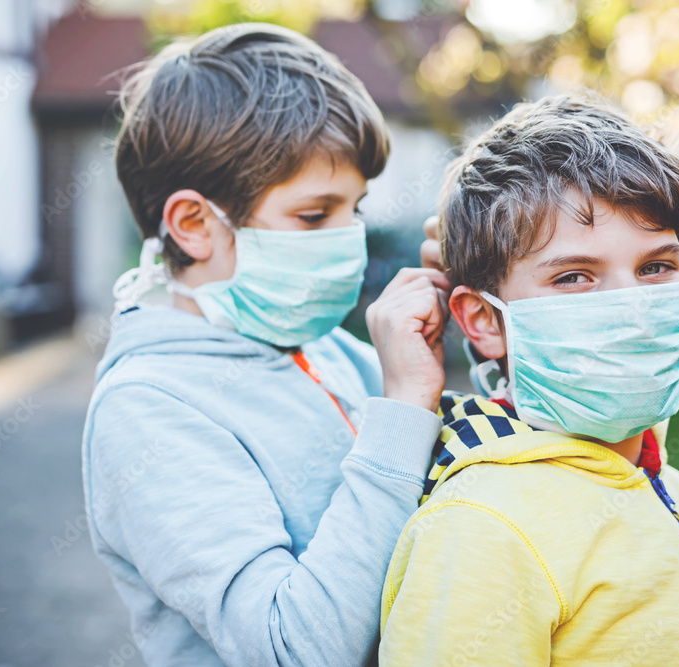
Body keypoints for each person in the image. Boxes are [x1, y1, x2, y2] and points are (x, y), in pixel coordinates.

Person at [82, 23, 449, 666]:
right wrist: (404, 411)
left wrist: (489, 328)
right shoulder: (148, 408)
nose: (349, 238)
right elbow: (292, 650)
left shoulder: (318, 346)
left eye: (354, 209)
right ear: (194, 224)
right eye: (314, 215)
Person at [379, 95, 679, 666]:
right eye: (574, 276)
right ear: (485, 320)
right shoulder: (481, 527)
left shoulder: (671, 486)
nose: (632, 305)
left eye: (655, 267)